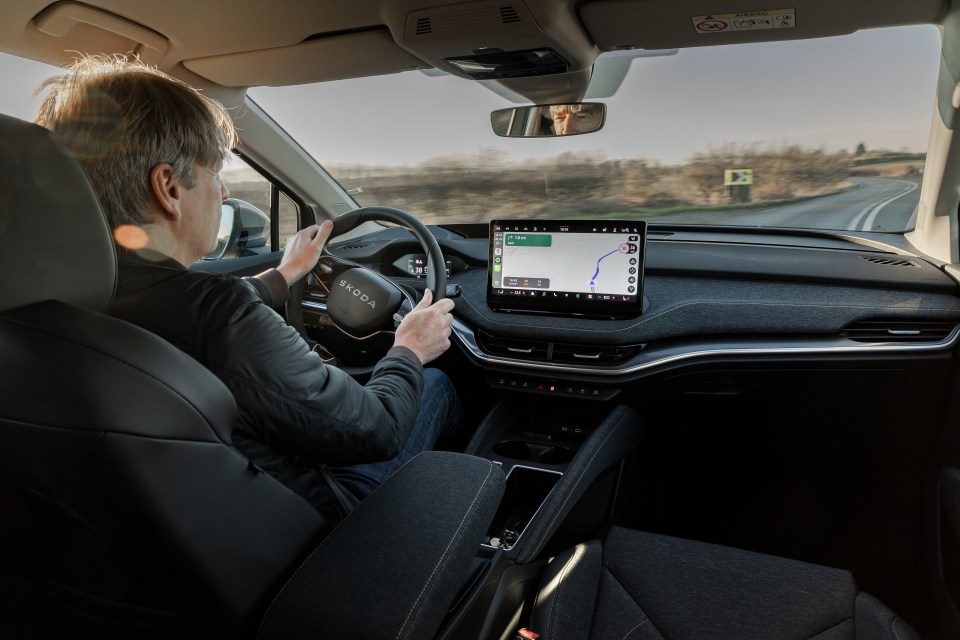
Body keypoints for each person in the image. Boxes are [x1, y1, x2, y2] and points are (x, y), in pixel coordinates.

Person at [34, 54, 463, 529]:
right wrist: (408, 349)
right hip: (316, 524)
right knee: (436, 385)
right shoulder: (218, 317)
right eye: (215, 174)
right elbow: (377, 430)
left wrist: (282, 276)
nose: (222, 195)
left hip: (161, 531)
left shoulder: (48, 296)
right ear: (169, 188)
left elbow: (192, 314)